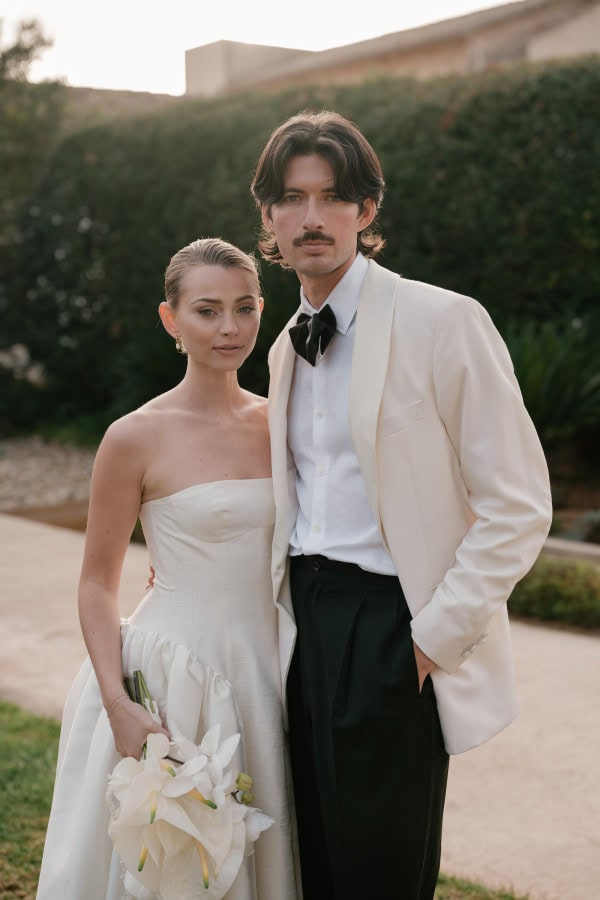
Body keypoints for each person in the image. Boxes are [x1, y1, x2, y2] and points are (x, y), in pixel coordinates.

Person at [250, 110, 553, 900]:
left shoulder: (444, 320)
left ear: (366, 209)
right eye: (292, 198)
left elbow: (518, 505)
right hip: (302, 629)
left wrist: (429, 641)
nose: (311, 217)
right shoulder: (286, 344)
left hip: (390, 628)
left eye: (331, 197)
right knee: (313, 860)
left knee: (381, 872)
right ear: (270, 218)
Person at [36, 238, 299, 900]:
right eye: (207, 310)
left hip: (271, 668)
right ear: (170, 319)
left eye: (245, 308)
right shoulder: (133, 437)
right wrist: (118, 702)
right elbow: (97, 582)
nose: (230, 328)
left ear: (263, 310)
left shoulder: (284, 422)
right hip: (175, 679)